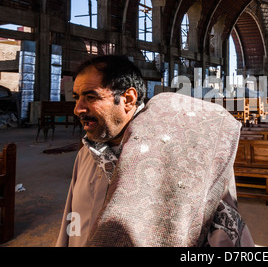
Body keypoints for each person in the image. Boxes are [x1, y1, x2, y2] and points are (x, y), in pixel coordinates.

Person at [56, 54, 253, 247]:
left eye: (91, 97)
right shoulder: (87, 153)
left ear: (128, 99)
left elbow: (221, 227)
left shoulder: (182, 151)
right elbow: (71, 218)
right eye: (76, 98)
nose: (78, 109)